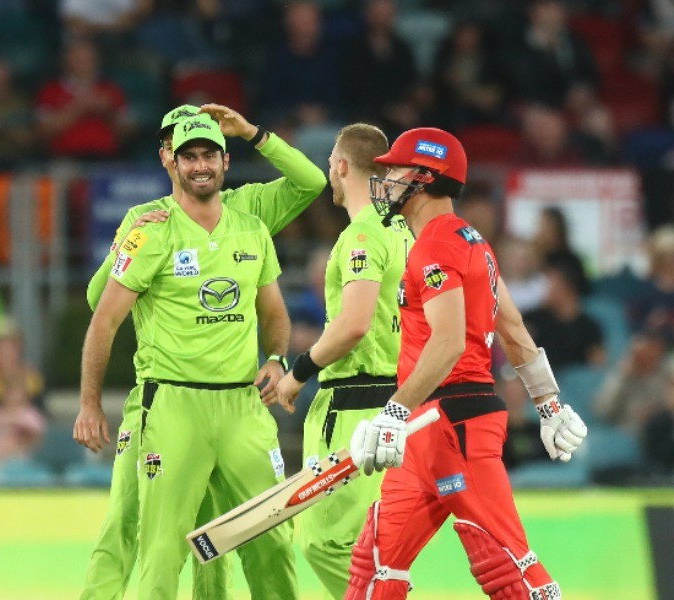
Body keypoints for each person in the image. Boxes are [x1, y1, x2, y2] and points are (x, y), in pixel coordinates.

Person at [79, 102, 326, 600]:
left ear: (225, 159)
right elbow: (98, 307)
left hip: (240, 404)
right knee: (141, 532)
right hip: (169, 400)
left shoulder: (249, 216)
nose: (199, 164)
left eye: (209, 153)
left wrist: (254, 132)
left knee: (261, 538)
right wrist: (89, 403)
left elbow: (312, 183)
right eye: (186, 153)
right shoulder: (146, 223)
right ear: (167, 158)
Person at [344, 127, 587, 599]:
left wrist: (393, 411)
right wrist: (549, 406)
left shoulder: (437, 245)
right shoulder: (471, 241)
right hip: (426, 428)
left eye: (395, 170)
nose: (386, 180)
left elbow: (450, 341)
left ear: (424, 177)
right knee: (375, 565)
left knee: (508, 566)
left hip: (455, 422)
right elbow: (512, 329)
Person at [270, 123, 412, 600]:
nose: (329, 170)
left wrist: (298, 372)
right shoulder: (403, 231)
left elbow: (353, 324)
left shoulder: (363, 235)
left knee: (326, 542)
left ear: (343, 166)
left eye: (331, 161)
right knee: (372, 547)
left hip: (354, 408)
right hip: (396, 403)